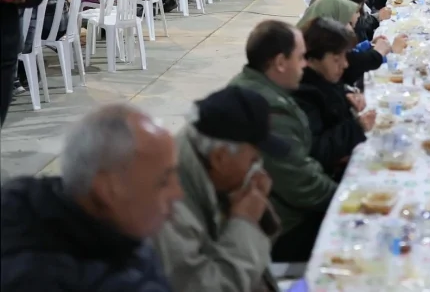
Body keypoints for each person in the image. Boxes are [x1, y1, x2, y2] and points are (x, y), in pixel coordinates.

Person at [1, 104, 182, 290]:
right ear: (108, 189)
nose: (178, 193)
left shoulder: (29, 200)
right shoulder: (43, 277)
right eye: (163, 181)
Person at [153, 87, 287, 292]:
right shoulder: (171, 211)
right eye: (253, 159)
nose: (258, 168)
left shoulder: (207, 168)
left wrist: (256, 212)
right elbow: (205, 287)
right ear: (220, 157)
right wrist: (245, 223)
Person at [228, 20, 337, 262]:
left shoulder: (252, 84)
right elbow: (302, 186)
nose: (305, 65)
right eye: (300, 58)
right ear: (279, 62)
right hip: (278, 227)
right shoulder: (269, 110)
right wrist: (345, 198)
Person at [294, 17, 374, 180]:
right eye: (337, 59)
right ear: (312, 59)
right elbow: (317, 151)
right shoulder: (303, 94)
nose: (345, 65)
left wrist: (346, 98)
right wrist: (357, 127)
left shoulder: (323, 78)